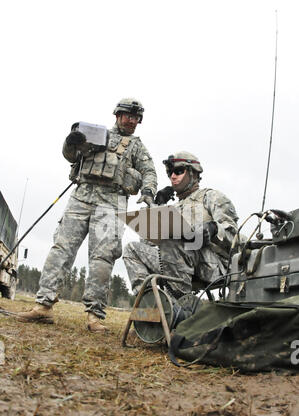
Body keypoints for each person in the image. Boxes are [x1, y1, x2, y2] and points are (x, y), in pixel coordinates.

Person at [17, 98, 157, 332]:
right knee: (61, 248)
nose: (132, 121)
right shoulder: (95, 135)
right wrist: (69, 143)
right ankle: (43, 306)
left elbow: (149, 171)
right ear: (118, 116)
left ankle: (94, 316)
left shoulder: (136, 147)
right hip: (82, 196)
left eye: (136, 118)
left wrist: (149, 191)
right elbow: (72, 155)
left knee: (102, 258)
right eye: (128, 116)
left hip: (111, 204)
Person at [123, 151, 238, 298]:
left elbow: (234, 236)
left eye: (178, 171)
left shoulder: (211, 197)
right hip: (174, 260)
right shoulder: (174, 208)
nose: (173, 176)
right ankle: (151, 302)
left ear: (193, 173)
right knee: (131, 249)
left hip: (212, 265)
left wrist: (213, 229)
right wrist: (158, 205)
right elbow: (149, 243)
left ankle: (181, 304)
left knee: (172, 242)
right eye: (170, 172)